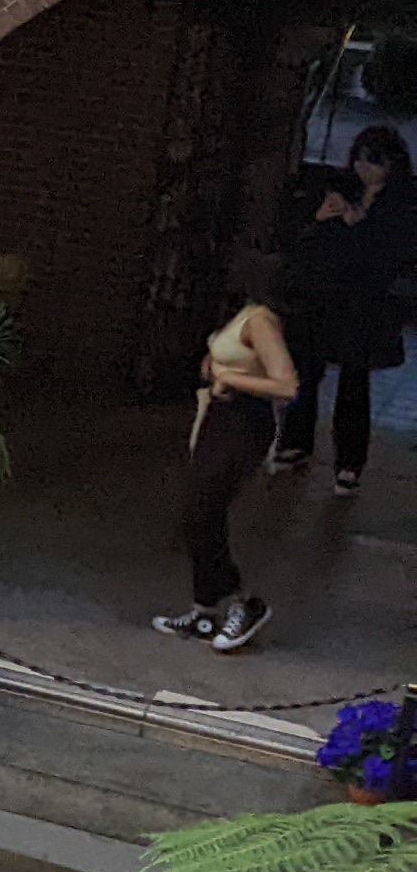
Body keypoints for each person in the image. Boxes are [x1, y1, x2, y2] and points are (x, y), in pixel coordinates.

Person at [158, 277, 300, 653]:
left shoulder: (260, 321)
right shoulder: (240, 316)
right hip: (218, 414)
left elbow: (286, 385)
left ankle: (243, 601)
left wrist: (229, 376)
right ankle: (204, 608)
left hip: (243, 420)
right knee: (197, 510)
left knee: (203, 508)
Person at [275, 123, 414, 494]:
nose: (365, 169)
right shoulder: (341, 189)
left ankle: (349, 464)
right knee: (307, 371)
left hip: (365, 303)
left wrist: (357, 226)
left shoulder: (399, 206)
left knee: (354, 381)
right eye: (361, 160)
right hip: (325, 295)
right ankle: (295, 441)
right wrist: (324, 218)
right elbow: (311, 240)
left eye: (374, 162)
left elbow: (392, 254)